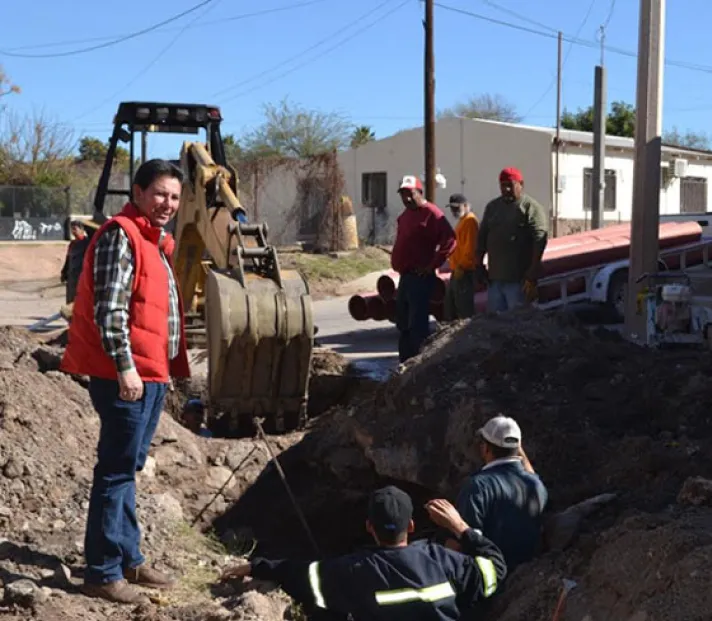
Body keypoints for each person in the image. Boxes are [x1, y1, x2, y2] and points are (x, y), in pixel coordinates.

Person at [60, 159, 191, 605]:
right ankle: (102, 571)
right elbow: (109, 309)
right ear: (136, 193)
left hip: (152, 373)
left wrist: (163, 371)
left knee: (128, 469)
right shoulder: (122, 235)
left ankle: (129, 558)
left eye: (174, 197)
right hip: (126, 375)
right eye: (159, 194)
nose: (167, 204)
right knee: (115, 472)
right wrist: (125, 367)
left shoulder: (155, 241)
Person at [220, 486, 506, 621]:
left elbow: (299, 574)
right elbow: (495, 568)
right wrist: (460, 527)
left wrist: (257, 566)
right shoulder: (444, 561)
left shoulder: (353, 571)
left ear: (370, 527)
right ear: (411, 525)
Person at [454, 416, 548, 576]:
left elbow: (464, 541)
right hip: (526, 575)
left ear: (485, 448)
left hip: (490, 578)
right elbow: (530, 474)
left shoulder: (477, 486)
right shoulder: (537, 485)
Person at [391, 175, 456, 362]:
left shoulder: (432, 213)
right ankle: (404, 362)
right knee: (402, 322)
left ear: (419, 192)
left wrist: (431, 266)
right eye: (403, 194)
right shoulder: (405, 215)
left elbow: (450, 240)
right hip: (405, 275)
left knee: (417, 324)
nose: (406, 198)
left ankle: (417, 365)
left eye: (410, 194)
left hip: (420, 277)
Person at [476, 168, 549, 313]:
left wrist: (533, 269)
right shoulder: (493, 207)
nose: (506, 189)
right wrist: (478, 265)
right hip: (495, 279)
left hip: (519, 280)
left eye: (510, 185)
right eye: (503, 185)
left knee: (518, 322)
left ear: (521, 184)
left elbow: (540, 238)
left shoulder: (530, 207)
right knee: (495, 322)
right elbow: (482, 236)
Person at [443, 193, 479, 321]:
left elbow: (470, 249)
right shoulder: (463, 221)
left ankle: (465, 337)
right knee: (452, 309)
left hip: (464, 272)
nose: (454, 211)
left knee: (463, 312)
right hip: (458, 271)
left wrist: (462, 266)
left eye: (456, 207)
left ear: (466, 205)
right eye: (452, 208)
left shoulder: (470, 221)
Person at [60, 220, 91, 304]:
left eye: (74, 229)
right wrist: (64, 273)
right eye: (71, 229)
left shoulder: (87, 243)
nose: (73, 232)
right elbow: (68, 259)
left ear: (81, 230)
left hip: (81, 277)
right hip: (71, 278)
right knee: (70, 301)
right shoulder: (72, 244)